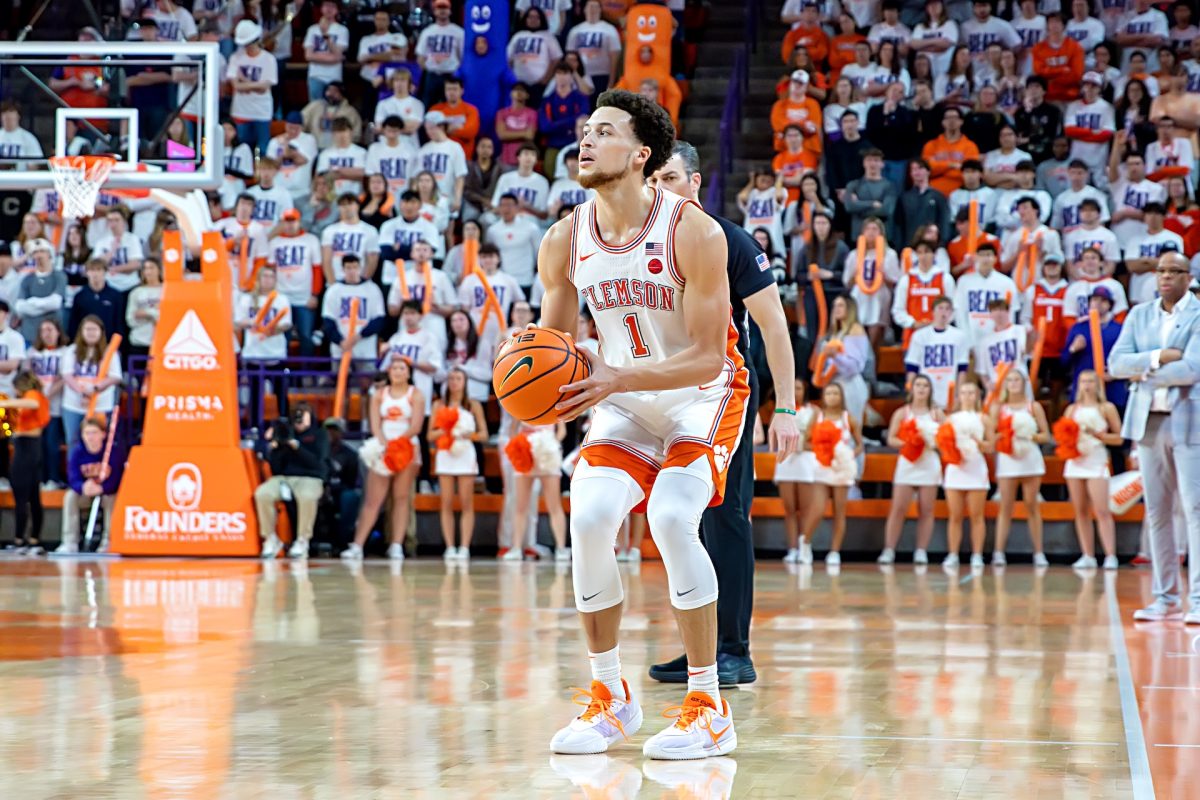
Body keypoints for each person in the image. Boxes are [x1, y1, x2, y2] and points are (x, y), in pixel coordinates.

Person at [538, 90, 745, 758]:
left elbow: (709, 356)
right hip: (623, 398)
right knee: (591, 517)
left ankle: (708, 705)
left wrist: (616, 377)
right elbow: (557, 351)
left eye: (604, 132)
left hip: (701, 394)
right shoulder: (564, 238)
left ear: (641, 154)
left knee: (670, 518)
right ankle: (611, 698)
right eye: (584, 130)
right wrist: (531, 362)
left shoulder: (694, 231)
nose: (586, 140)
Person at [646, 141, 800, 685]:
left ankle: (735, 649)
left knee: (725, 515)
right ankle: (701, 647)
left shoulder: (729, 241)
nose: (660, 190)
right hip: (668, 390)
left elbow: (775, 327)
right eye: (653, 180)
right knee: (678, 517)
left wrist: (785, 406)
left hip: (725, 390)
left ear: (694, 184)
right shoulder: (640, 244)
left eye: (670, 178)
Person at [1108, 251, 1200, 623]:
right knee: (1157, 512)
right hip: (1147, 421)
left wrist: (1142, 371)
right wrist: (1160, 356)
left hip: (1188, 420)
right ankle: (1165, 597)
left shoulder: (1198, 314)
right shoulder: (1139, 314)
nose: (1164, 277)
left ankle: (1198, 598)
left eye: (1173, 271)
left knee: (1194, 510)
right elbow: (1116, 364)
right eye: (1160, 270)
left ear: (1187, 277)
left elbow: (1192, 368)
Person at [342, 357, 425, 561]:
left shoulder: (416, 395)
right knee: (372, 500)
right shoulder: (379, 395)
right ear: (389, 372)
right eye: (394, 367)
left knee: (401, 498)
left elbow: (416, 426)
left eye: (402, 368)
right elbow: (375, 424)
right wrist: (384, 444)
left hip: (407, 449)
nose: (397, 371)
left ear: (408, 372)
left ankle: (396, 545)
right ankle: (358, 545)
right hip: (383, 449)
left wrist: (399, 444)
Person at [879, 374, 944, 565]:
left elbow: (945, 439)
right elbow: (890, 439)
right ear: (912, 388)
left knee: (927, 509)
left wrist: (930, 441)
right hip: (907, 463)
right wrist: (909, 442)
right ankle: (889, 550)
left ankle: (921, 551)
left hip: (929, 462)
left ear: (930, 390)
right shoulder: (902, 412)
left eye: (925, 385)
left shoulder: (937, 414)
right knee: (898, 508)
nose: (922, 388)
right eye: (918, 385)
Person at [1062, 370, 1123, 570]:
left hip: (1096, 460)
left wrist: (1099, 436)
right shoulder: (1072, 409)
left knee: (1102, 510)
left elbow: (1120, 438)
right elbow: (1063, 435)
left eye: (1090, 381)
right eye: (1082, 381)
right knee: (1080, 510)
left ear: (1097, 385)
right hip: (1076, 461)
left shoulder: (1106, 408)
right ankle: (1087, 555)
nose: (1086, 385)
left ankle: (1110, 555)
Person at [990, 369, 1050, 567]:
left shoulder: (1034, 407)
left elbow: (1045, 436)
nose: (1013, 383)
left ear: (1024, 383)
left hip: (1030, 460)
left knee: (1031, 505)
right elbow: (991, 436)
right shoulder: (999, 407)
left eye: (1017, 380)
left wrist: (1028, 434)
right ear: (1005, 384)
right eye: (1010, 380)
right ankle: (999, 552)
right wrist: (1004, 436)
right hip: (1008, 459)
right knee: (1005, 507)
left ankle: (1039, 553)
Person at [800, 381, 862, 567]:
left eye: (836, 393)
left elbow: (859, 445)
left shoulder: (848, 418)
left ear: (841, 396)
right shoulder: (817, 416)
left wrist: (848, 455)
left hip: (841, 468)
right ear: (824, 396)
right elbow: (805, 443)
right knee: (818, 508)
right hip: (822, 467)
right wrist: (822, 450)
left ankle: (835, 552)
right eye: (829, 393)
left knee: (839, 511)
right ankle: (805, 542)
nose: (832, 397)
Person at [255, 403, 329, 559]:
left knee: (307, 496)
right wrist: (273, 445)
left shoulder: (319, 435)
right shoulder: (284, 433)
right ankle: (270, 538)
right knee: (263, 494)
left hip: (311, 477)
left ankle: (303, 540)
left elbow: (316, 462)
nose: (299, 419)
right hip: (284, 478)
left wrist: (297, 447)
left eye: (303, 414)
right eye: (296, 415)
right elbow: (274, 464)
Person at [429, 367, 486, 560]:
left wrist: (469, 434)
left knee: (466, 502)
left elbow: (484, 434)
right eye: (451, 378)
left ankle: (464, 547)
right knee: (446, 502)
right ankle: (450, 546)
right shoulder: (439, 405)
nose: (454, 382)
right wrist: (447, 430)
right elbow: (430, 434)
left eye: (458, 378)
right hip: (445, 453)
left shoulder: (473, 405)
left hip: (465, 454)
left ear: (465, 382)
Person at [940, 375, 993, 569]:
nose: (967, 396)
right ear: (959, 396)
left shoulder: (984, 418)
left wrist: (980, 444)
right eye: (964, 393)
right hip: (956, 468)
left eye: (971, 393)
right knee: (954, 515)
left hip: (976, 468)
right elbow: (943, 443)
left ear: (978, 396)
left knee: (977, 515)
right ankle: (953, 554)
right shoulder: (950, 419)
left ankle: (977, 555)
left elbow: (991, 446)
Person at [56, 414, 123, 554]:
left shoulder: (112, 452)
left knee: (112, 499)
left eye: (94, 433)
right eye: (87, 433)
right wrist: (83, 487)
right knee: (70, 497)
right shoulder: (77, 453)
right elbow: (73, 477)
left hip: (105, 492)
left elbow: (118, 477)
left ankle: (108, 542)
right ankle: (70, 542)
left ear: (103, 434)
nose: (90, 437)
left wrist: (103, 487)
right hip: (86, 493)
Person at [0, 372, 49, 554]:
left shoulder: (33, 395)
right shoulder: (33, 397)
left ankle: (21, 539)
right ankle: (33, 538)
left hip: (27, 448)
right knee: (33, 495)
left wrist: (5, 403)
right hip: (30, 447)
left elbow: (32, 403)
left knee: (22, 495)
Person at [60, 316, 122, 453]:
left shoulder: (109, 352)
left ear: (101, 331)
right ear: (81, 331)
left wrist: (95, 389)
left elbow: (115, 377)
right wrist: (82, 392)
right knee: (73, 441)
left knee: (98, 442)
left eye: (94, 329)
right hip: (73, 405)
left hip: (101, 405)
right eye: (87, 329)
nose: (91, 332)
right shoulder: (71, 350)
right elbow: (67, 375)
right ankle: (74, 473)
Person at [777, 378, 814, 564]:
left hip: (806, 461)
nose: (796, 391)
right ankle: (792, 548)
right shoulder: (781, 411)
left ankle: (804, 547)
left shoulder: (813, 411)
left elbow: (817, 437)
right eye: (792, 388)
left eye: (799, 388)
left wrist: (804, 443)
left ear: (804, 391)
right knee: (789, 509)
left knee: (806, 509)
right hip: (787, 461)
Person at [322, 417, 361, 548]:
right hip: (318, 487)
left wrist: (333, 488)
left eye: (334, 430)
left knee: (350, 497)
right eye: (327, 430)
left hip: (340, 489)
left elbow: (350, 481)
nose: (330, 434)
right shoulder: (316, 451)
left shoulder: (350, 454)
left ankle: (343, 541)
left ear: (341, 433)